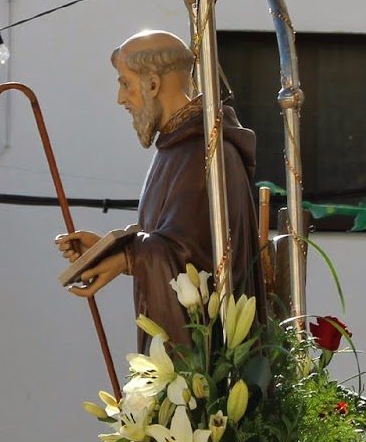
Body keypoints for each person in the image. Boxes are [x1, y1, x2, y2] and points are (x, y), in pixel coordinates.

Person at [56, 29, 260, 351]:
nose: (120, 98)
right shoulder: (175, 148)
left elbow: (191, 256)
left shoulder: (205, 153)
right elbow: (169, 241)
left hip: (211, 360)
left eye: (125, 83)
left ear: (153, 85)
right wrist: (111, 250)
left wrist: (128, 257)